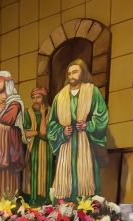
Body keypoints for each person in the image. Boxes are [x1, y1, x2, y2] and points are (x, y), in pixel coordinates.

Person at [48, 60, 109, 201]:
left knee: (86, 183)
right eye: (69, 73)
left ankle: (86, 212)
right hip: (66, 146)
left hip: (86, 144)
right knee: (65, 182)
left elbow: (102, 116)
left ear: (83, 72)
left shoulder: (92, 91)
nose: (71, 76)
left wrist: (88, 126)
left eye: (75, 72)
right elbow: (52, 124)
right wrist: (62, 131)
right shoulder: (60, 96)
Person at [0, 70, 29, 199]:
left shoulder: (15, 102)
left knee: (9, 176)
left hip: (9, 144)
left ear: (7, 82)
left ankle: (8, 204)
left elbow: (8, 120)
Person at [22, 87, 54, 205]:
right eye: (33, 98)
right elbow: (24, 132)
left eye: (38, 97)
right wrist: (37, 132)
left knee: (45, 175)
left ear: (44, 98)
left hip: (46, 150)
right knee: (30, 174)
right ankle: (31, 200)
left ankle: (44, 200)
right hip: (30, 149)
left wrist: (43, 114)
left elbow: (46, 133)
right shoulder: (27, 113)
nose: (35, 100)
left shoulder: (51, 112)